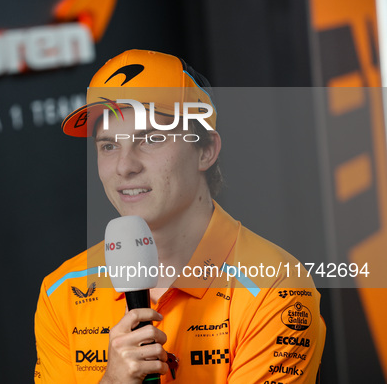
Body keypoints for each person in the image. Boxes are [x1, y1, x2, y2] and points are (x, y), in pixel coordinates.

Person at [34, 49, 325, 383]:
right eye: (108, 146)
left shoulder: (277, 289)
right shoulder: (61, 291)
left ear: (205, 151)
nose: (125, 166)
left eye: (152, 139)